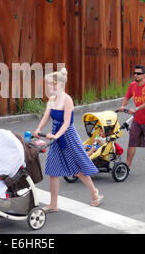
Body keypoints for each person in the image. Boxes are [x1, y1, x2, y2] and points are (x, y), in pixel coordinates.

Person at [33, 68, 103, 211]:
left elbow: (66, 123)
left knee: (77, 169)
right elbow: (46, 117)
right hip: (55, 136)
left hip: (68, 136)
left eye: (53, 84)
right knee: (53, 171)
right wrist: (38, 129)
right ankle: (53, 204)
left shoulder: (67, 99)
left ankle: (95, 192)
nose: (50, 87)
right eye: (48, 84)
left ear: (61, 84)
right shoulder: (52, 100)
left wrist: (56, 136)